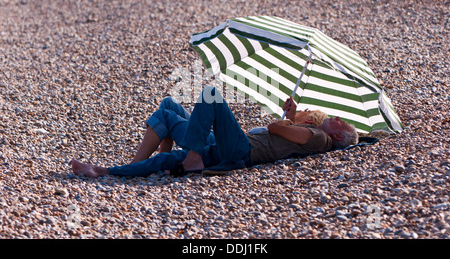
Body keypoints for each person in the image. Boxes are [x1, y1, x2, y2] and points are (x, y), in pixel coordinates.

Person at [71, 86, 358, 177]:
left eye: (338, 120)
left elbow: (274, 128)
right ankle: (126, 168)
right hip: (232, 144)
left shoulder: (319, 139)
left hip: (242, 151)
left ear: (336, 136)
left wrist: (289, 119)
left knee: (210, 95)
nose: (333, 117)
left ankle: (191, 157)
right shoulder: (312, 135)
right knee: (170, 105)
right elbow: (281, 131)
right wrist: (292, 115)